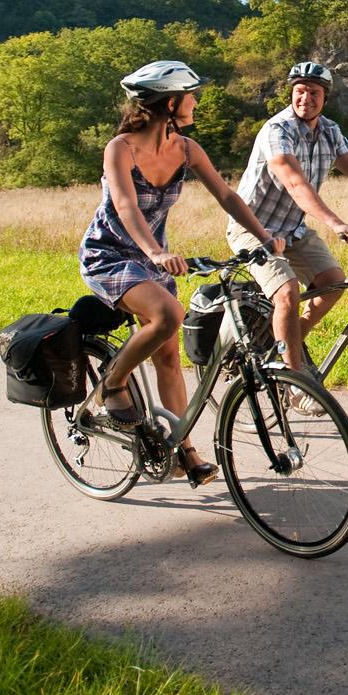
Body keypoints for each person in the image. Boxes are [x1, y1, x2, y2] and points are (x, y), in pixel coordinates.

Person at [79, 60, 283, 486]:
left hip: (153, 259)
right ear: (168, 102)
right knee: (169, 315)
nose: (194, 102)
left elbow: (227, 196)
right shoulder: (121, 148)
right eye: (189, 95)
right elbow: (125, 205)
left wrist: (264, 236)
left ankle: (183, 451)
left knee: (169, 358)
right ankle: (113, 385)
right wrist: (155, 251)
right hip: (112, 255)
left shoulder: (187, 148)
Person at [226, 61, 348, 407]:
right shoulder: (278, 130)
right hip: (254, 228)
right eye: (299, 91)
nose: (305, 99)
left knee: (333, 281)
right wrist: (336, 224)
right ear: (292, 94)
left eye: (313, 93)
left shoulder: (330, 131)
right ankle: (294, 380)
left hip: (293, 229)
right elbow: (295, 183)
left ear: (324, 98)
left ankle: (286, 345)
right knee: (286, 293)